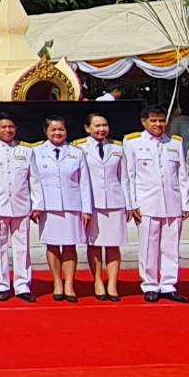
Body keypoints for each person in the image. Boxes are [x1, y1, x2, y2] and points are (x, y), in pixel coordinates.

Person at [125, 104, 189, 302]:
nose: (158, 124)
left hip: (172, 202)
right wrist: (132, 203)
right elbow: (129, 176)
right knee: (149, 246)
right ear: (144, 122)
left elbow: (183, 175)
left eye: (161, 121)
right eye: (153, 120)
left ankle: (169, 284)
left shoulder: (174, 143)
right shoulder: (133, 142)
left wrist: (186, 203)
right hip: (147, 203)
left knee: (170, 246)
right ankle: (150, 284)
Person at [30, 116, 93, 302]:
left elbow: (84, 183)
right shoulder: (36, 152)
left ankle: (69, 285)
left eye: (61, 130)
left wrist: (86, 209)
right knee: (52, 245)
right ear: (46, 131)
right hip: (48, 206)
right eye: (53, 130)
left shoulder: (76, 152)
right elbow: (34, 181)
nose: (58, 133)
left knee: (69, 245)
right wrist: (37, 205)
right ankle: (57, 282)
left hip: (72, 205)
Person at [78, 112, 128, 301]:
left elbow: (124, 178)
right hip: (92, 203)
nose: (101, 129)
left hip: (115, 202)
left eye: (104, 125)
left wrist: (129, 205)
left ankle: (113, 283)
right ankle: (98, 280)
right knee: (95, 245)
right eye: (97, 126)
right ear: (87, 128)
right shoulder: (80, 148)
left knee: (114, 244)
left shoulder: (117, 148)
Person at [0, 114, 35, 302]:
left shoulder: (26, 150)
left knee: (22, 246)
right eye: (3, 127)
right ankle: (1, 284)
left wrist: (36, 204)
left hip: (21, 205)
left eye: (11, 126)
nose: (8, 130)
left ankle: (22, 284)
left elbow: (34, 179)